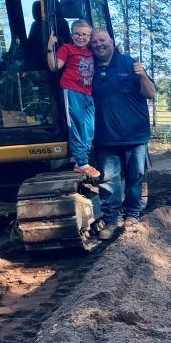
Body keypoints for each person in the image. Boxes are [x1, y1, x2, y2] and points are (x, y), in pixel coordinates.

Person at [89, 27, 156, 240]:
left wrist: (142, 74)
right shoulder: (88, 68)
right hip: (105, 137)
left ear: (111, 41)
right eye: (94, 42)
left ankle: (132, 216)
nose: (99, 44)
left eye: (102, 40)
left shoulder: (129, 63)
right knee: (109, 181)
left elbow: (151, 93)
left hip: (135, 135)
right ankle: (110, 222)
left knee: (134, 178)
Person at [47, 20, 99, 178]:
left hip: (88, 92)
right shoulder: (67, 49)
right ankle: (82, 162)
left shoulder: (91, 51)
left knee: (90, 128)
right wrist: (50, 46)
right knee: (76, 125)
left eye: (84, 34)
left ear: (89, 37)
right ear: (72, 34)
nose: (81, 37)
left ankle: (80, 161)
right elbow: (54, 66)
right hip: (72, 90)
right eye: (77, 34)